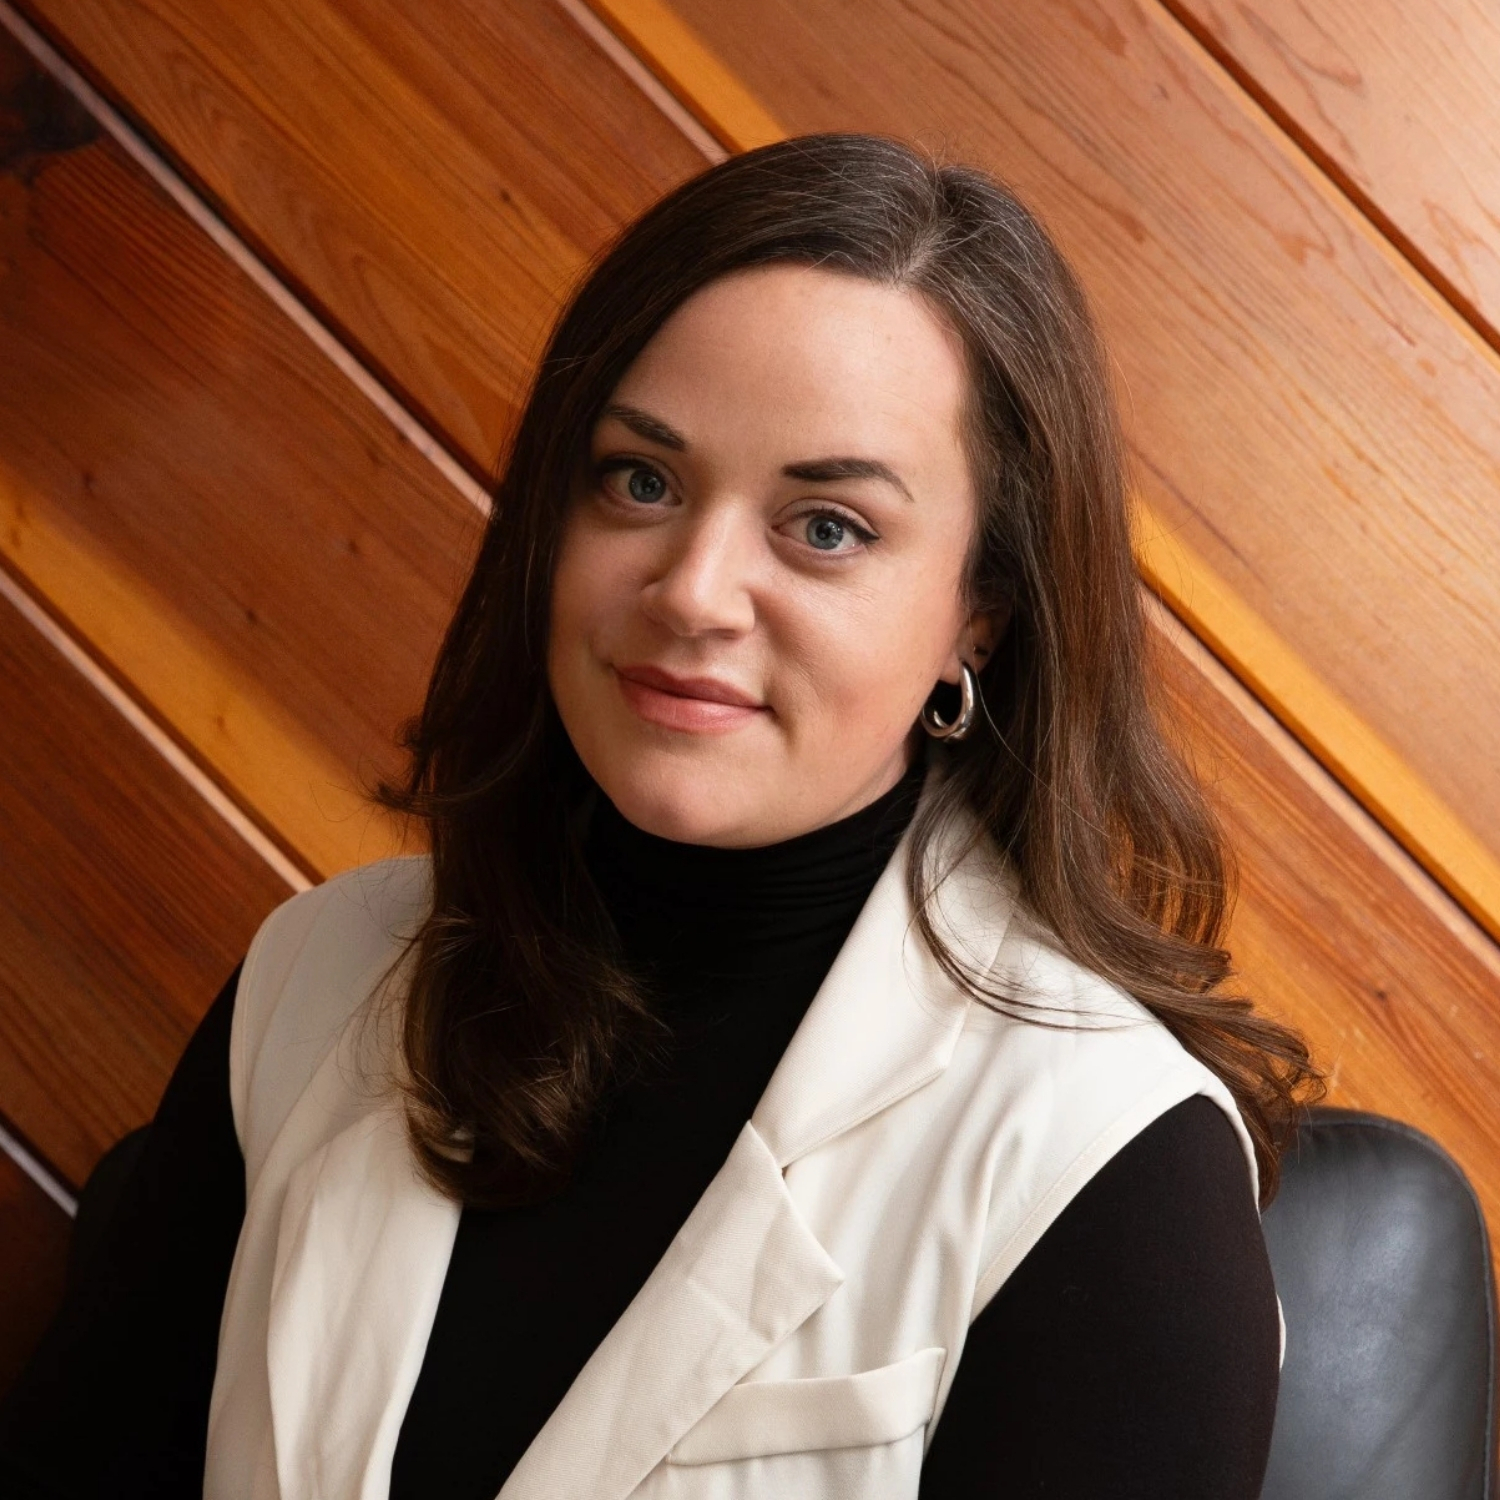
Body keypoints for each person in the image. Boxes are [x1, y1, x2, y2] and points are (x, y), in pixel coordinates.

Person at [0, 132, 1320, 1499]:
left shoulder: (1113, 1167)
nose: (692, 589)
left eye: (826, 527)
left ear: (976, 615)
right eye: (642, 480)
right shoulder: (316, 979)